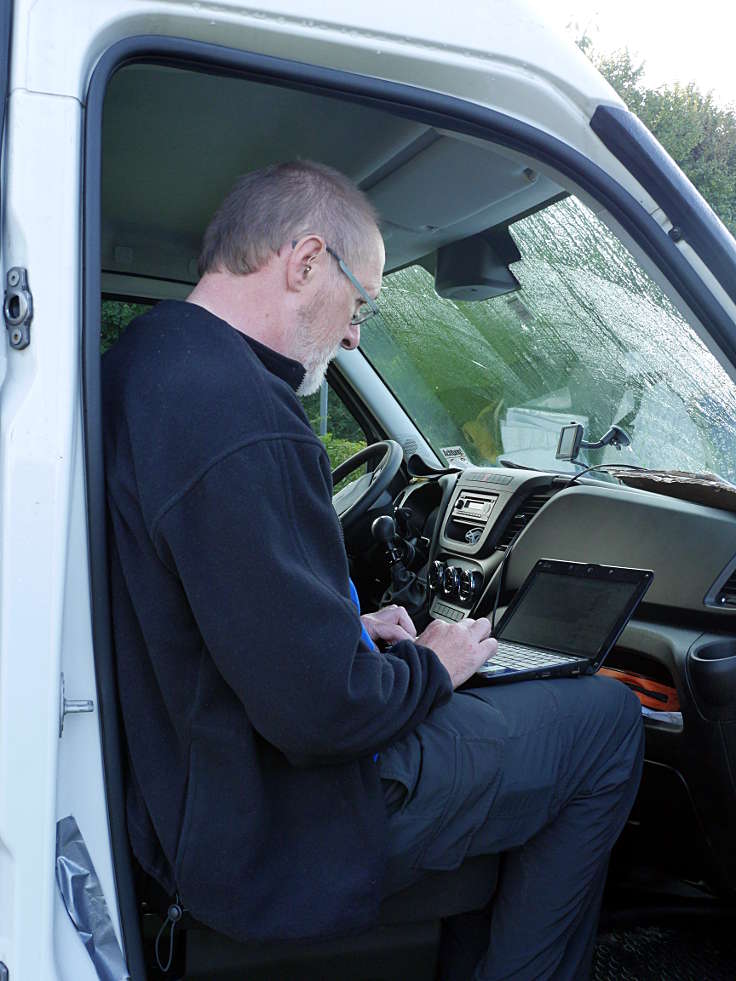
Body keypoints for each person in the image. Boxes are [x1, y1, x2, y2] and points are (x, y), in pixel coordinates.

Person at [103, 159, 644, 980]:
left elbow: (197, 604)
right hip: (272, 816)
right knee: (603, 721)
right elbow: (325, 716)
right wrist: (433, 661)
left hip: (195, 787)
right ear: (306, 260)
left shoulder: (148, 361)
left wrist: (343, 627)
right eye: (362, 303)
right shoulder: (245, 419)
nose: (357, 332)